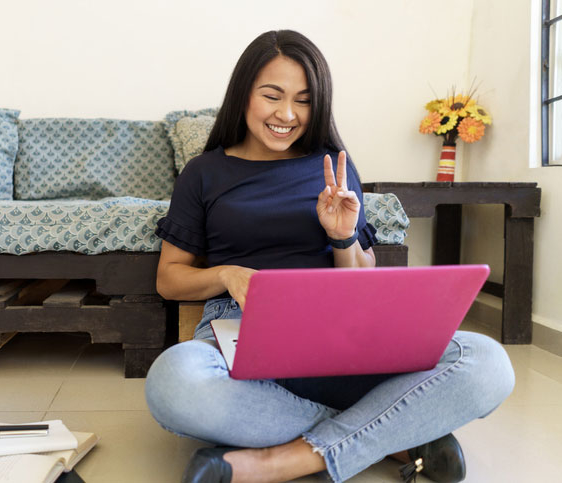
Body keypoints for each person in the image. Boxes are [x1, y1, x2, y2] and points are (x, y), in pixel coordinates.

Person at [144, 30, 514, 483]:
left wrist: (341, 238)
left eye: (303, 100)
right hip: (238, 327)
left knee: (488, 364)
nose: (287, 114)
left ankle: (284, 460)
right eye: (272, 96)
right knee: (172, 385)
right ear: (243, 94)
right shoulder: (203, 173)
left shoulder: (334, 166)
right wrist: (228, 274)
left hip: (339, 331)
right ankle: (398, 436)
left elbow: (362, 279)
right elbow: (169, 279)